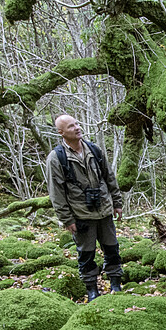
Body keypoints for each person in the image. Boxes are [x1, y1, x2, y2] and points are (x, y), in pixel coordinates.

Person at [46, 114, 124, 302]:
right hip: (80, 214)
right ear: (61, 132)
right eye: (72, 126)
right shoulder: (56, 158)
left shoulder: (94, 150)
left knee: (112, 248)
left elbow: (109, 177)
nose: (78, 128)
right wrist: (67, 219)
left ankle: (115, 283)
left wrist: (117, 202)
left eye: (77, 124)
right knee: (86, 254)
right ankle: (92, 290)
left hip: (104, 209)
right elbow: (56, 192)